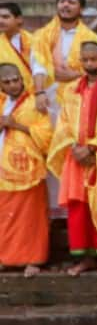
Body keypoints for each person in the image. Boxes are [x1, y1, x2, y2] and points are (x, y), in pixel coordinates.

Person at [48, 41, 97, 274]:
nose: (90, 64)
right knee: (79, 210)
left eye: (94, 59)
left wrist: (92, 148)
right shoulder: (70, 90)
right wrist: (74, 147)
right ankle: (84, 260)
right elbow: (63, 123)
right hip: (76, 158)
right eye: (86, 60)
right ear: (80, 61)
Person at [0, 63, 52, 276]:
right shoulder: (1, 103)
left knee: (32, 218)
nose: (13, 85)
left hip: (29, 170)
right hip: (3, 170)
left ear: (22, 79)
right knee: (4, 215)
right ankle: (5, 258)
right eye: (7, 82)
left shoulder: (35, 104)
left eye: (16, 80)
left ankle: (34, 260)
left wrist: (16, 124)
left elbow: (48, 136)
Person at [33, 0, 97, 88]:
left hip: (80, 92)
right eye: (62, 1)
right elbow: (37, 65)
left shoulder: (91, 37)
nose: (65, 5)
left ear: (81, 9)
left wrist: (77, 75)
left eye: (71, 2)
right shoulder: (42, 35)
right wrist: (40, 92)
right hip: (47, 94)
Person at [0, 2, 49, 98]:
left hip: (34, 96)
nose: (0, 21)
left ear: (19, 19)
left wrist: (39, 92)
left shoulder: (35, 41)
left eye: (5, 17)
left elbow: (40, 68)